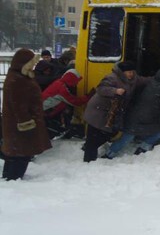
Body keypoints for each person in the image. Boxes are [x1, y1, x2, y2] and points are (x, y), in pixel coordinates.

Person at [103, 68, 160, 159]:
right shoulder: (158, 88)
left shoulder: (152, 83)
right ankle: (109, 154)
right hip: (138, 119)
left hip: (140, 117)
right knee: (126, 138)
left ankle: (141, 149)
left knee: (156, 133)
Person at [82, 61, 148, 162]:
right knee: (95, 134)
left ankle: (89, 148)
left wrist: (158, 80)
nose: (130, 74)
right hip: (98, 110)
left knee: (109, 132)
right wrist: (115, 91)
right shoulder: (112, 78)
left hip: (111, 112)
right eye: (128, 72)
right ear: (122, 72)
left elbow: (144, 80)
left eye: (132, 72)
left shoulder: (134, 79)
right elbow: (101, 89)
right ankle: (88, 161)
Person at [1, 49, 52, 180]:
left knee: (16, 152)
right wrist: (27, 123)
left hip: (18, 123)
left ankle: (10, 177)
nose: (33, 66)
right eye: (31, 63)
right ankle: (14, 179)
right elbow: (18, 105)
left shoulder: (19, 76)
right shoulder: (17, 79)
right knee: (22, 153)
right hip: (21, 124)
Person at [41, 68, 94, 139]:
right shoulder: (61, 88)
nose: (77, 83)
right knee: (51, 128)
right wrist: (88, 96)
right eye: (76, 81)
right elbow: (75, 102)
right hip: (45, 110)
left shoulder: (59, 83)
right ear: (71, 79)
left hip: (44, 108)